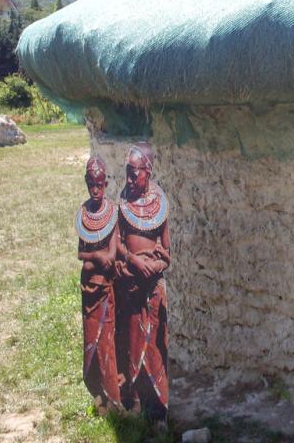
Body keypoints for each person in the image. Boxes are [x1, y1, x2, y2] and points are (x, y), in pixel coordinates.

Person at [114, 142, 171, 423]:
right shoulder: (123, 203)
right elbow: (117, 243)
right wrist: (134, 261)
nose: (129, 179)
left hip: (153, 289)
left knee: (155, 349)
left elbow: (167, 252)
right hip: (130, 288)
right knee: (132, 345)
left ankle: (158, 410)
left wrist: (154, 266)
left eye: (134, 173)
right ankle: (133, 405)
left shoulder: (160, 205)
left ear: (147, 172)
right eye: (127, 172)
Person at [76, 156, 122, 414]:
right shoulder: (84, 214)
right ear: (86, 182)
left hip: (105, 287)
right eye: (91, 184)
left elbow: (112, 254)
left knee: (106, 340)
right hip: (89, 289)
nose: (95, 190)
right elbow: (81, 253)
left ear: (105, 184)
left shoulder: (111, 212)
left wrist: (95, 260)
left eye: (99, 185)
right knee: (91, 339)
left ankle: (112, 395)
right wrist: (95, 256)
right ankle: (98, 392)